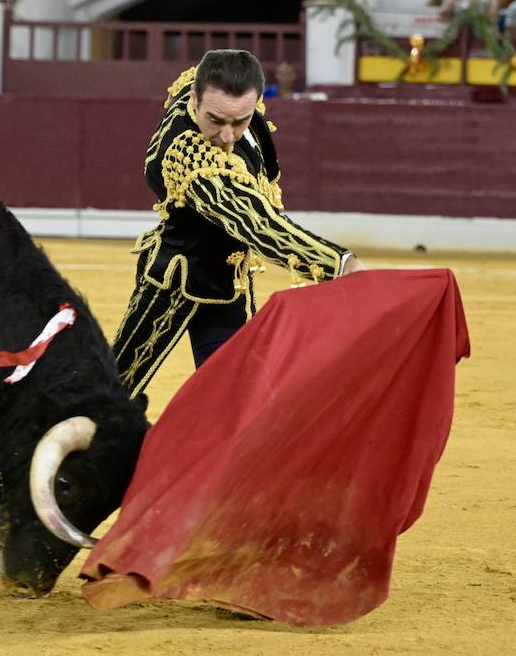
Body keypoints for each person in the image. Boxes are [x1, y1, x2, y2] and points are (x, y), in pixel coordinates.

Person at [112, 50, 364, 397]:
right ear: (195, 100)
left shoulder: (220, 99)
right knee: (115, 389)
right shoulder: (187, 154)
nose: (227, 135)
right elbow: (254, 221)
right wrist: (339, 264)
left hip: (228, 285)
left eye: (239, 121)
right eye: (215, 120)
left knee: (234, 395)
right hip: (173, 279)